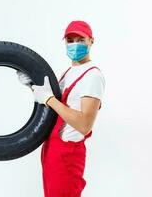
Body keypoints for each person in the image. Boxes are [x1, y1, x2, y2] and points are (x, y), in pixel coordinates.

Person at [17, 20, 105, 196]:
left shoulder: (93, 76)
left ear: (91, 41)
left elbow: (84, 124)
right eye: (70, 40)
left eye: (80, 39)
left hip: (68, 154)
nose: (75, 44)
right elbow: (56, 107)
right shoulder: (69, 72)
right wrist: (33, 85)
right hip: (52, 149)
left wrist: (49, 98)